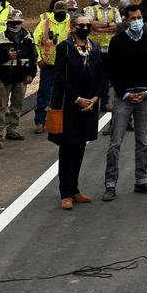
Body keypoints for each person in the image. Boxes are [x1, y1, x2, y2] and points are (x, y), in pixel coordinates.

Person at [101, 4, 147, 200]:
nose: (137, 21)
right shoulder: (117, 42)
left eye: (139, 18)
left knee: (142, 142)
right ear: (126, 20)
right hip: (123, 98)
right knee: (115, 143)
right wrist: (124, 94)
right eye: (133, 18)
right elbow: (112, 70)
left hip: (145, 98)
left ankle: (141, 181)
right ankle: (110, 184)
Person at [48, 15, 103, 210]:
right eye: (82, 25)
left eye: (88, 25)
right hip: (70, 105)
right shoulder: (64, 48)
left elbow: (99, 76)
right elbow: (60, 78)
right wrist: (78, 99)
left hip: (89, 105)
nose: (86, 28)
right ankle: (65, 192)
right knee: (68, 148)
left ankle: (75, 189)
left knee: (80, 147)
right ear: (73, 28)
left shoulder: (94, 48)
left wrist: (95, 98)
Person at [0, 10, 37, 148]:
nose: (15, 25)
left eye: (18, 23)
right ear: (8, 23)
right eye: (12, 23)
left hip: (21, 78)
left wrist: (32, 74)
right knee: (1, 107)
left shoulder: (29, 37)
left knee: (17, 106)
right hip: (3, 79)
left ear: (21, 23)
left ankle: (12, 130)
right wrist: (7, 55)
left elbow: (33, 58)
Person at [32, 0, 71, 133]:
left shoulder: (71, 24)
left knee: (65, 94)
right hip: (48, 66)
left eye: (63, 13)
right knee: (44, 93)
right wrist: (39, 60)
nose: (61, 15)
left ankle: (63, 120)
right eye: (58, 13)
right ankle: (40, 121)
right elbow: (34, 42)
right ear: (53, 12)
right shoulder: (44, 24)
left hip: (66, 67)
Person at [86, 0, 121, 112]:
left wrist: (99, 27)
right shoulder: (91, 9)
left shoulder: (115, 10)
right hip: (94, 48)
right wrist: (107, 24)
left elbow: (117, 26)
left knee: (106, 76)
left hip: (109, 48)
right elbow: (90, 23)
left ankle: (105, 101)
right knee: (93, 75)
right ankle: (91, 100)